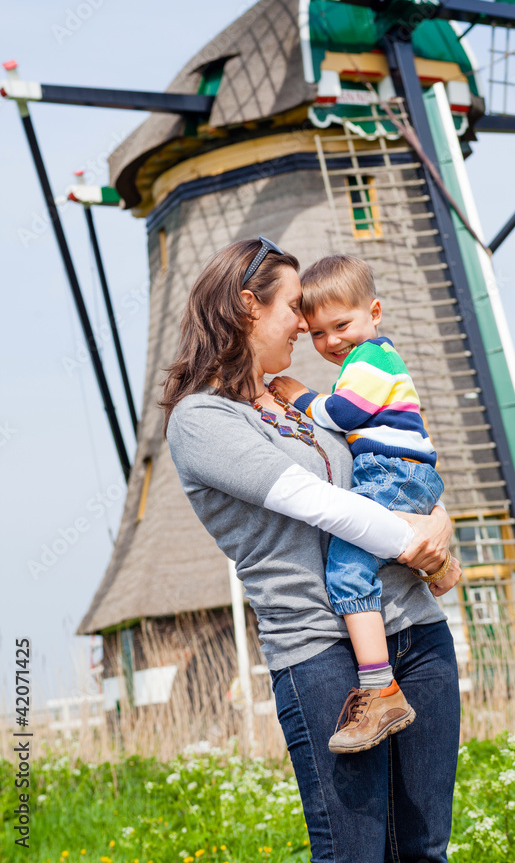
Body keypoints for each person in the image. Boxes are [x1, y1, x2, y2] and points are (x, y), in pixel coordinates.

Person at [161, 236, 462, 863]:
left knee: (424, 849)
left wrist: (437, 517)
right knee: (354, 854)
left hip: (415, 630)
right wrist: (419, 546)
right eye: (296, 307)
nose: (307, 322)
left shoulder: (298, 402)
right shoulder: (203, 419)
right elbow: (315, 500)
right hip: (320, 649)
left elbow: (391, 462)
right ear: (249, 305)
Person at [272, 253, 448, 754]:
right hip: (398, 471)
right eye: (318, 334)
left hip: (390, 470)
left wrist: (303, 398)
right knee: (383, 542)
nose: (331, 341)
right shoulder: (364, 360)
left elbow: (344, 412)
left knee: (347, 569)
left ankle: (379, 688)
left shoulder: (369, 361)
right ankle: (442, 567)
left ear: (374, 311)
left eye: (341, 324)